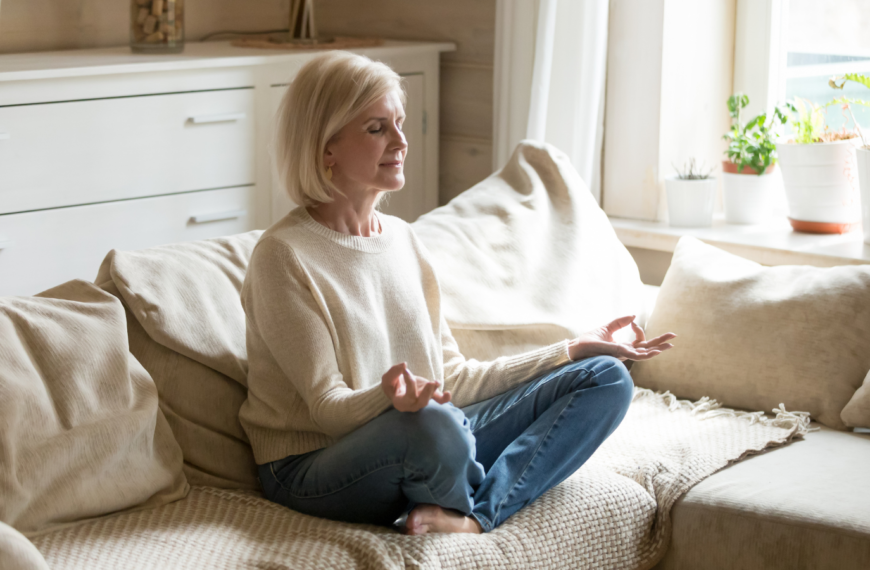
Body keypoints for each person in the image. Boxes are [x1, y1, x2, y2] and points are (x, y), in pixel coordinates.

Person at [239, 51, 676, 536]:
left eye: (400, 123)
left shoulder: (404, 240)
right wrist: (390, 398)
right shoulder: (283, 255)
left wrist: (572, 349)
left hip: (422, 433)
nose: (402, 141)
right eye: (377, 128)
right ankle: (466, 490)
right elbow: (327, 407)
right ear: (326, 150)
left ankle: (470, 515)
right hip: (312, 464)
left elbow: (455, 378)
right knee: (435, 426)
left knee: (606, 378)